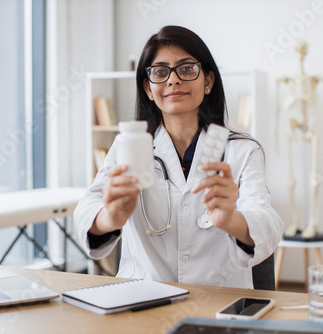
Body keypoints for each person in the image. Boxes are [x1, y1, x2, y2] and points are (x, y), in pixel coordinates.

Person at [74, 25, 283, 288]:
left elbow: (266, 219)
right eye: (160, 72)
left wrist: (233, 221)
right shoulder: (127, 146)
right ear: (149, 89)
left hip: (217, 306)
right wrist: (109, 217)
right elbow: (87, 207)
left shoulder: (241, 151)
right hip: (142, 299)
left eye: (186, 69)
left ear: (207, 81)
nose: (173, 80)